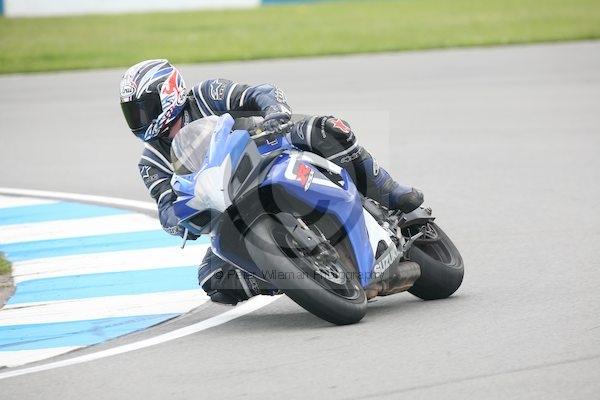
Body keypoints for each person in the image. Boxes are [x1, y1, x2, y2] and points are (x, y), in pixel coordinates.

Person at [120, 59, 423, 305]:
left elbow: (260, 93)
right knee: (212, 278)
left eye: (144, 108)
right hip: (229, 208)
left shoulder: (206, 94)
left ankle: (388, 191)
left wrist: (274, 112)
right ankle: (296, 277)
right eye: (132, 113)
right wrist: (181, 219)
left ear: (169, 93)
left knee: (325, 129)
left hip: (268, 152)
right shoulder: (151, 162)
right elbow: (166, 209)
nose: (139, 119)